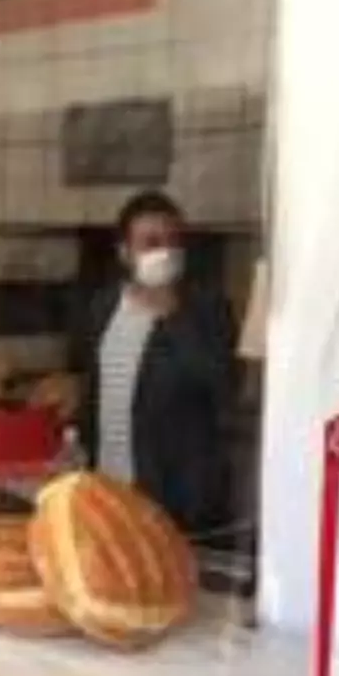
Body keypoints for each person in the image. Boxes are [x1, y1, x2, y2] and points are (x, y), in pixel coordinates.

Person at [75, 190, 237, 532]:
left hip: (175, 495)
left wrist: (173, 318)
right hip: (110, 487)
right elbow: (95, 386)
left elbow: (222, 385)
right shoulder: (104, 306)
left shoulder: (207, 308)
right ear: (125, 253)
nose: (164, 252)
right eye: (150, 243)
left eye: (172, 242)